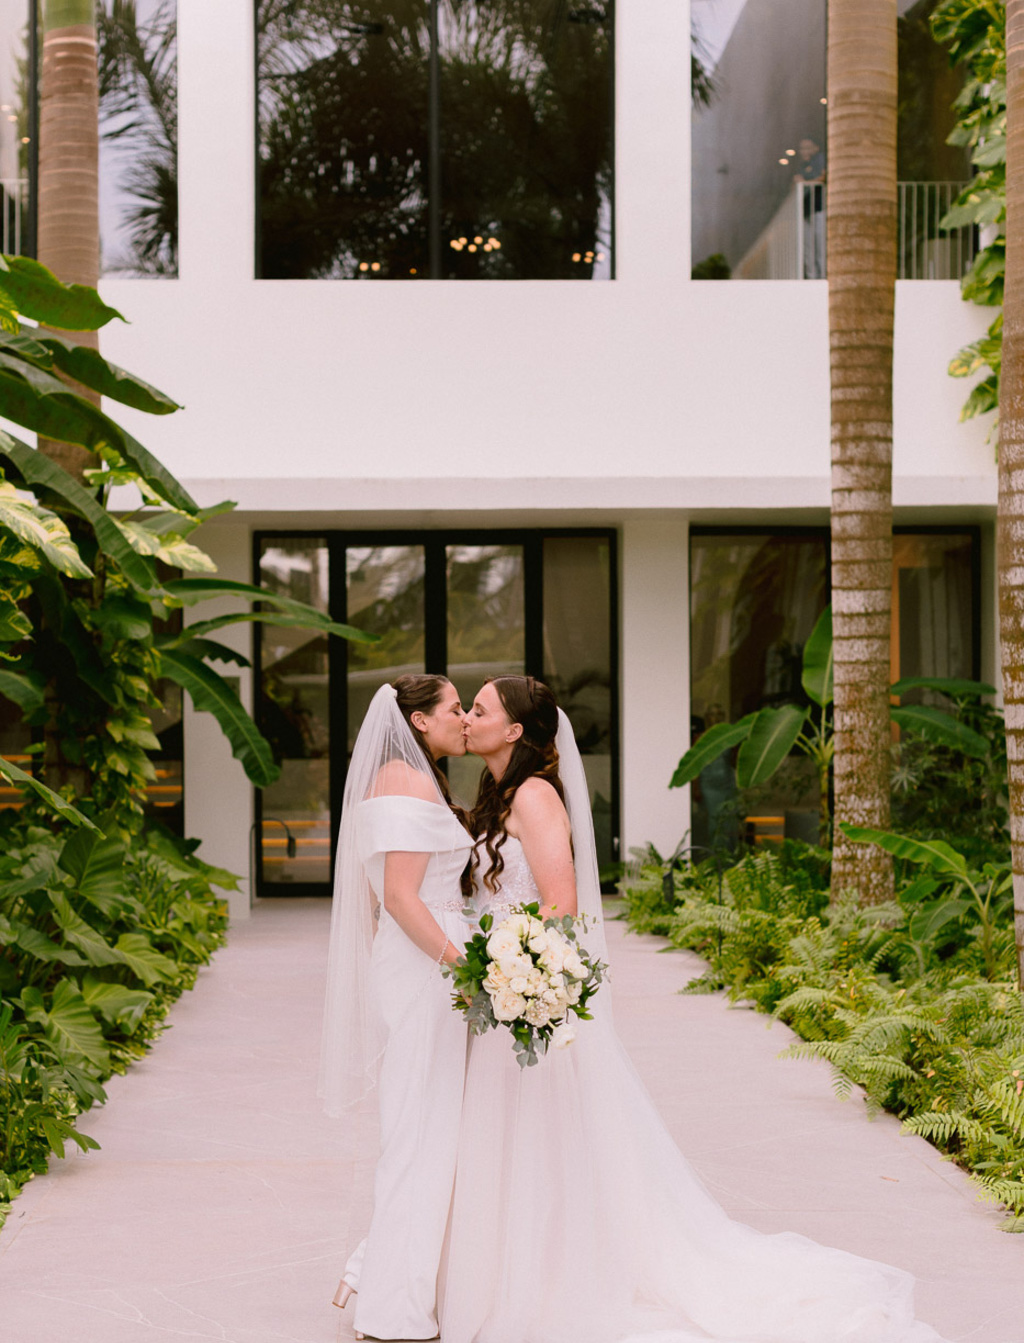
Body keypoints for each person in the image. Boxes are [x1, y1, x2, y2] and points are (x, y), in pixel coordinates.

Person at [440, 674, 950, 1343]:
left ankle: (544, 1279)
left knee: (542, 1148)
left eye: (480, 709)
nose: (469, 718)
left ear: (513, 732)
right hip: (501, 997)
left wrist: (520, 977)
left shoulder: (535, 797)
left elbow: (559, 905)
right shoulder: (497, 792)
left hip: (523, 999)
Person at [319, 674, 472, 1342]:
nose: (464, 718)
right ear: (419, 719)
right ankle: (392, 1309)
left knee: (423, 1123)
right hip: (427, 966)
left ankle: (381, 1275)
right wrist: (464, 965)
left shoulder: (403, 779)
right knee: (418, 1127)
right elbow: (402, 897)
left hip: (417, 964)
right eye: (454, 708)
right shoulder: (407, 783)